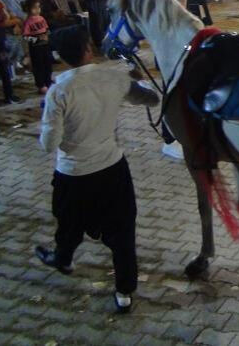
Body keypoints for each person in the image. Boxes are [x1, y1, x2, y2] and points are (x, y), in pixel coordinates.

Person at [35, 25, 159, 314]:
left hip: (74, 173)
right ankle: (125, 291)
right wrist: (134, 79)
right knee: (122, 231)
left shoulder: (59, 91)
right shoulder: (112, 77)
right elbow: (150, 99)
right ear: (89, 49)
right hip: (112, 169)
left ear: (60, 57)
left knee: (69, 223)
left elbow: (48, 144)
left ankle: (63, 259)